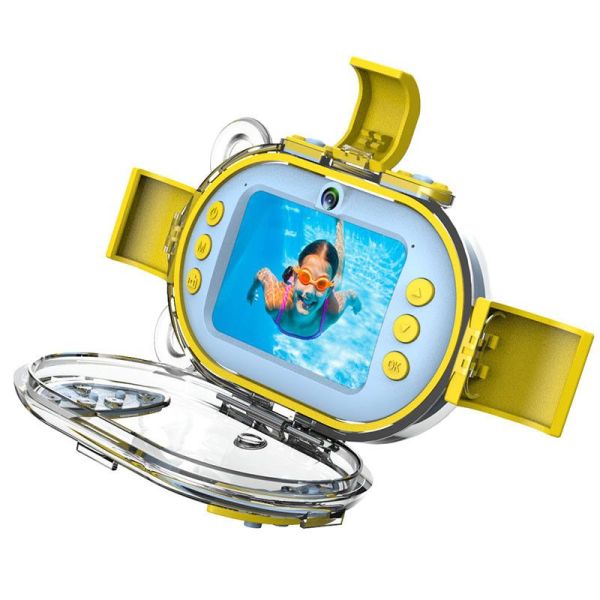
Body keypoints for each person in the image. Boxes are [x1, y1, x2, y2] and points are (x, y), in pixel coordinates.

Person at [246, 221, 361, 340]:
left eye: (321, 283)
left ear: (328, 292)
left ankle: (340, 223)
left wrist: (358, 306)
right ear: (295, 278)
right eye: (305, 277)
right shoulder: (275, 303)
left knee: (338, 269)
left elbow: (351, 296)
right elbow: (264, 274)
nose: (310, 292)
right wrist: (251, 291)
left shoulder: (332, 312)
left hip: (329, 288)